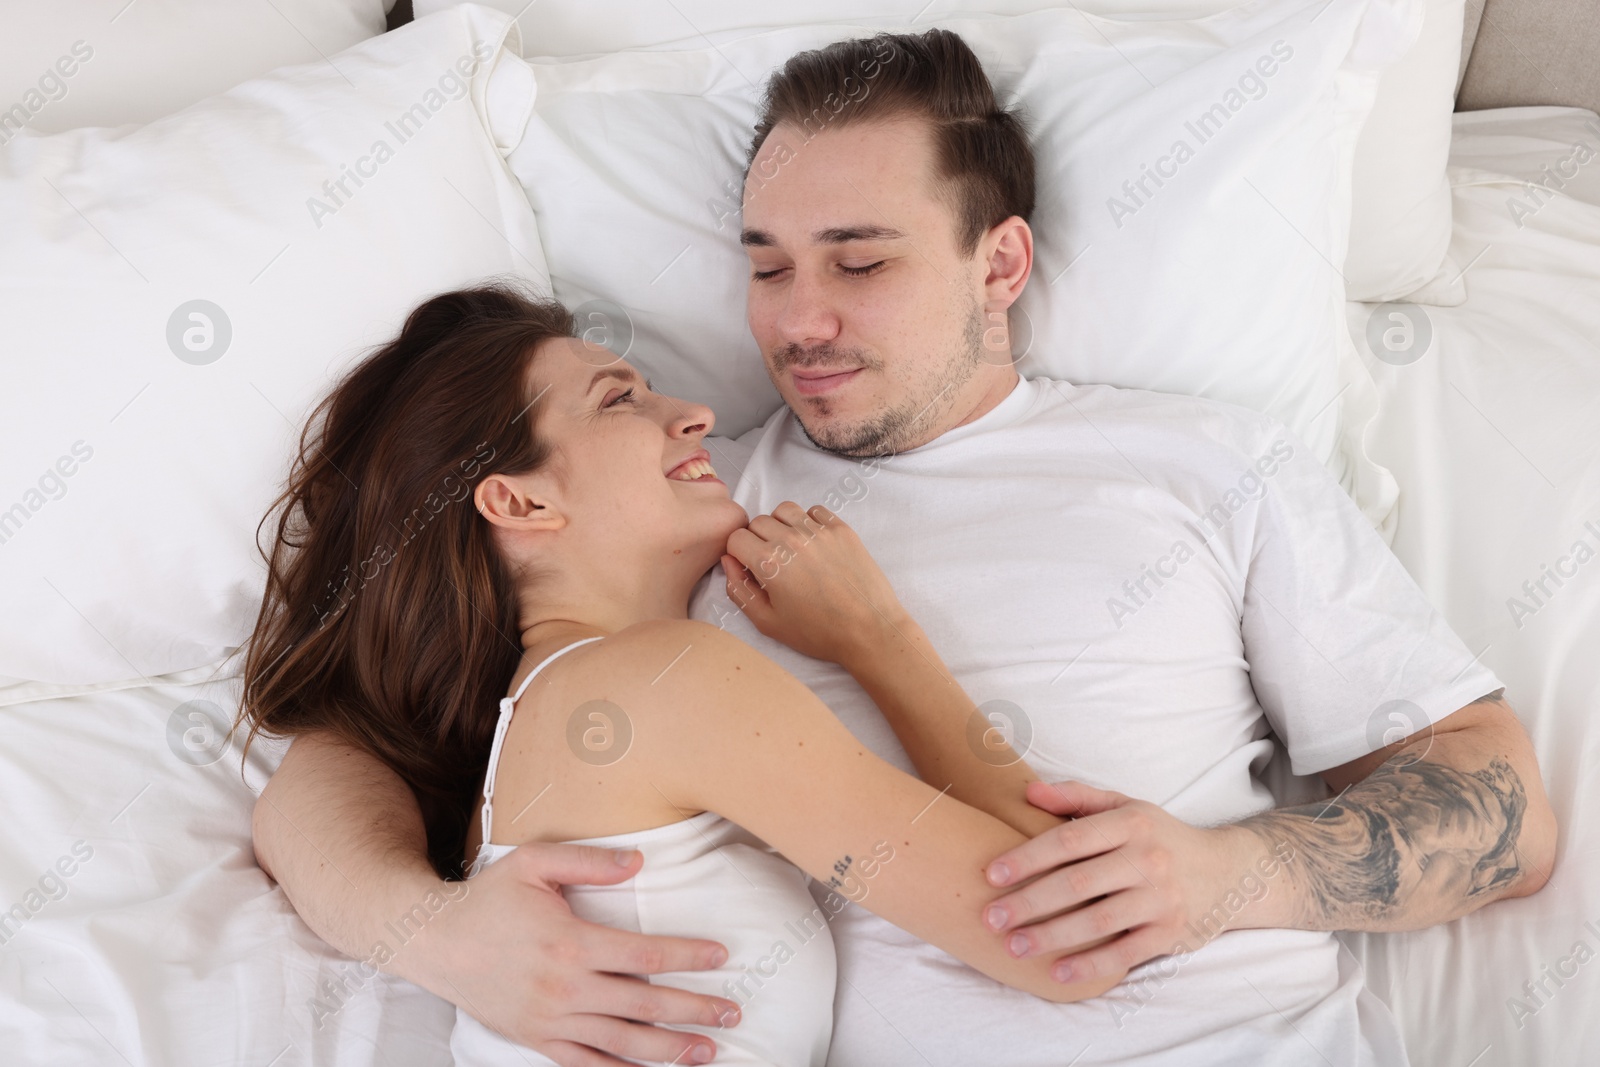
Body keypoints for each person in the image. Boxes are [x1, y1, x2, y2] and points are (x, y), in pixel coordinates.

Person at [251, 27, 1557, 1067]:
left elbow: (1499, 799)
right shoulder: (682, 509)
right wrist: (430, 929)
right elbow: (336, 752)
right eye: (766, 267)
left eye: (859, 261)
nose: (799, 318)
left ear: (1000, 264)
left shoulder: (1209, 463)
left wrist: (1240, 870)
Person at [241, 285, 1126, 1065]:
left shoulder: (545, 728)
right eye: (620, 399)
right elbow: (1056, 936)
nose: (695, 412)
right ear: (518, 499)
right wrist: (880, 638)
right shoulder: (655, 683)